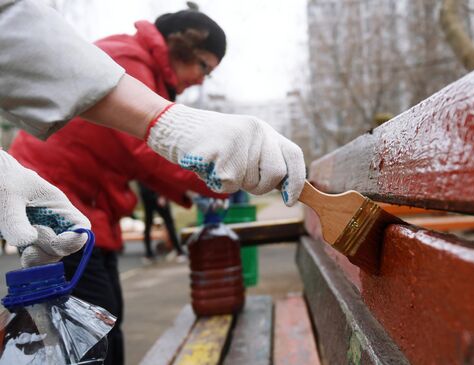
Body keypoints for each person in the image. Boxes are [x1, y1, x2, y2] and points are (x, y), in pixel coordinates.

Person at [0, 2, 306, 365]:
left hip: (89, 204)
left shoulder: (142, 69)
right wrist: (222, 178)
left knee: (106, 312)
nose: (201, 78)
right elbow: (146, 154)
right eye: (203, 66)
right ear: (182, 46)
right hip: (55, 202)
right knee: (92, 319)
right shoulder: (130, 60)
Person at [137, 182, 185, 264]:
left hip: (158, 196)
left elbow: (162, 179)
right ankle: (148, 254)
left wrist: (162, 196)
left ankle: (179, 251)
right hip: (148, 198)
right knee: (148, 225)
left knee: (169, 225)